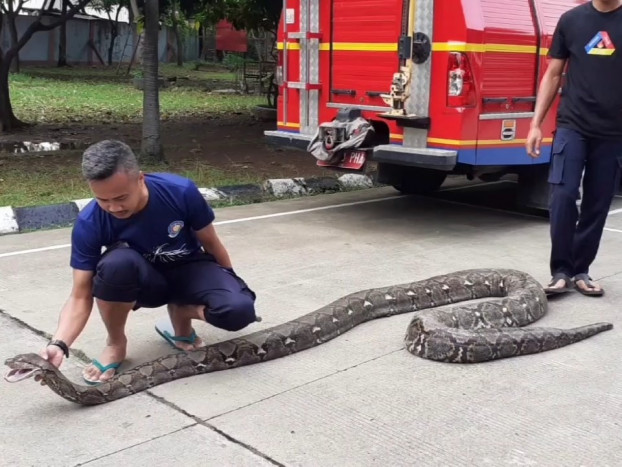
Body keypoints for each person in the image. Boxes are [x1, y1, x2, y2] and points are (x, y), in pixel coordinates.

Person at [37, 140, 258, 385]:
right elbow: (80, 295)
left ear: (141, 179)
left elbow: (212, 243)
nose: (113, 207)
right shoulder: (90, 222)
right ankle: (116, 343)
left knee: (239, 311)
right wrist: (59, 344)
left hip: (191, 269)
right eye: (103, 200)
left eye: (121, 197)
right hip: (146, 283)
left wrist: (231, 282)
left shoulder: (179, 191)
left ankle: (182, 312)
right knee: (115, 264)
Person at [526, 0, 622, 297]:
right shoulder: (571, 20)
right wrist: (535, 123)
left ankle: (581, 270)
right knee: (563, 195)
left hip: (614, 132)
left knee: (598, 202)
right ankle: (561, 270)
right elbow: (553, 74)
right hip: (573, 125)